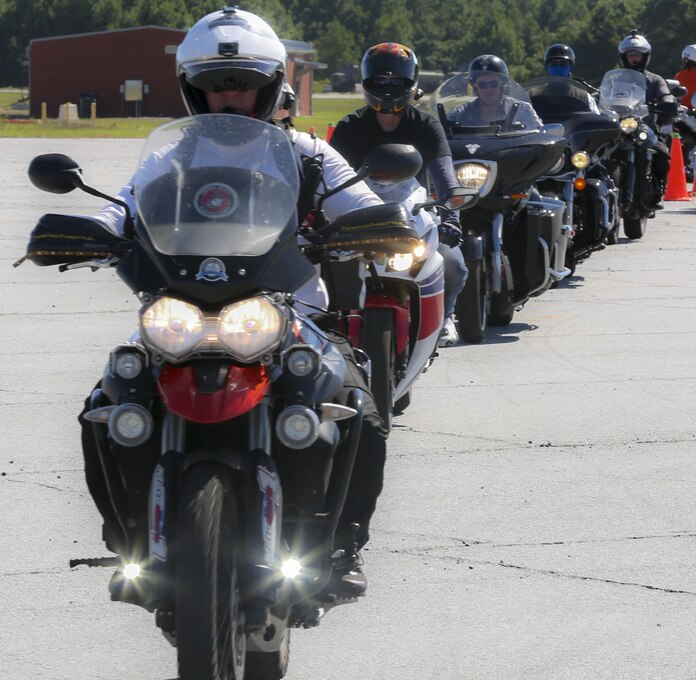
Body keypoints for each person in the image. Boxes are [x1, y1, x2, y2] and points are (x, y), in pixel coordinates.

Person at [87, 7, 385, 597]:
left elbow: (364, 204)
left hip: (288, 311)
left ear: (268, 85)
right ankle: (128, 543)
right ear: (195, 90)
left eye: (243, 83)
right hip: (183, 309)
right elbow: (120, 206)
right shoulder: (172, 156)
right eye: (217, 85)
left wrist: (380, 225)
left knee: (360, 407)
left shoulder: (308, 154)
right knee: (107, 404)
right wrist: (89, 230)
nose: (230, 96)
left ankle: (344, 545)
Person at [330, 42, 468, 347]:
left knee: (453, 264)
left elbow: (445, 176)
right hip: (360, 216)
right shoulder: (349, 128)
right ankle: (333, 327)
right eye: (381, 81)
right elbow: (332, 180)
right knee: (326, 269)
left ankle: (444, 319)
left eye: (396, 82)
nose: (388, 88)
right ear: (368, 83)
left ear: (411, 84)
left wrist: (451, 215)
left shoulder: (427, 126)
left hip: (414, 212)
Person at [617, 30, 675, 208]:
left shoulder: (655, 80)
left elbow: (666, 94)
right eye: (630, 55)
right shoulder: (615, 80)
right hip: (619, 128)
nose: (634, 58)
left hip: (646, 126)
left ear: (645, 56)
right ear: (623, 57)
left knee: (662, 153)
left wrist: (667, 102)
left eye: (637, 55)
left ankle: (660, 191)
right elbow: (602, 96)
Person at [447, 54, 543, 130]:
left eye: (493, 83)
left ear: (503, 84)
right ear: (474, 85)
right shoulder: (459, 114)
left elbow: (539, 136)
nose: (488, 90)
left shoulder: (523, 110)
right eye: (482, 84)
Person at [541, 43, 600, 113]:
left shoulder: (583, 96)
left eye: (563, 64)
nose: (558, 68)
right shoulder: (535, 94)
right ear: (547, 67)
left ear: (570, 67)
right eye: (553, 64)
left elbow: (595, 118)